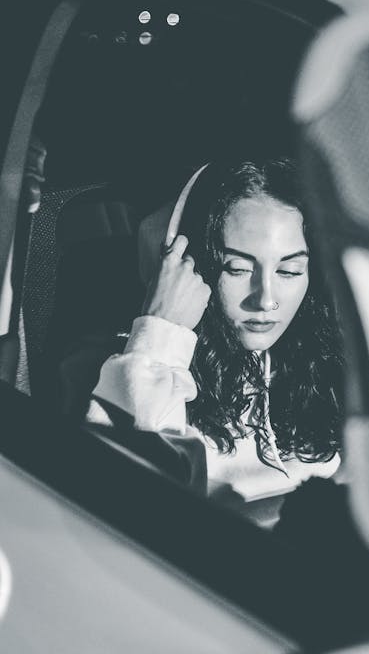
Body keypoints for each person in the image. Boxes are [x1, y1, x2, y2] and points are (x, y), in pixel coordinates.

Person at [88, 158, 344, 526]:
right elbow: (139, 515)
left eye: (289, 271)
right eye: (237, 268)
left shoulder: (322, 365)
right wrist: (159, 336)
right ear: (189, 265)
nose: (266, 300)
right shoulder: (130, 369)